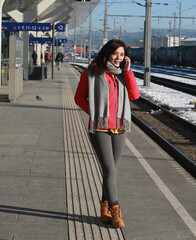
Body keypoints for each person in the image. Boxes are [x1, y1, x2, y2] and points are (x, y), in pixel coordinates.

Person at [74, 39, 140, 228]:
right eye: (115, 54)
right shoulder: (92, 72)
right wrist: (95, 114)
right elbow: (79, 98)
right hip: (100, 129)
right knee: (109, 171)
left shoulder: (123, 74)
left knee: (110, 172)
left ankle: (104, 210)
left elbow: (135, 95)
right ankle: (116, 211)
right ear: (107, 54)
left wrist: (128, 72)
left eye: (122, 54)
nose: (118, 58)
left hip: (120, 128)